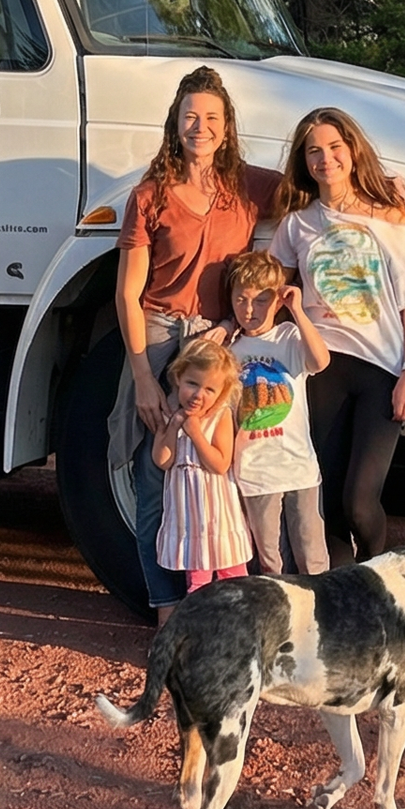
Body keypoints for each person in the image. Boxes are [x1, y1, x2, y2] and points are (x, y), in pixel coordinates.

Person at [110, 68, 281, 621]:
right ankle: (167, 613)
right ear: (175, 125)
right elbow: (128, 292)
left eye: (211, 118)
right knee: (154, 474)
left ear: (227, 128)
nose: (200, 127)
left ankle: (226, 609)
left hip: (216, 340)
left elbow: (321, 185)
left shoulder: (247, 187)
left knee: (225, 473)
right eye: (190, 117)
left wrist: (389, 193)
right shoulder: (150, 195)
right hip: (160, 337)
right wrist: (141, 376)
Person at [270, 108, 405, 566]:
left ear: (352, 151)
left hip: (381, 370)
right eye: (314, 151)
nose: (326, 159)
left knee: (360, 501)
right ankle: (340, 601)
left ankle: (379, 567)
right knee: (330, 502)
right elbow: (271, 288)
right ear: (304, 160)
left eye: (335, 147)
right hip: (322, 368)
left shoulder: (389, 217)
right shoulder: (297, 225)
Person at [224, 248, 331, 577]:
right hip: (255, 473)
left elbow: (320, 361)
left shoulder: (288, 337)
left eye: (260, 300)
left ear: (276, 301)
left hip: (299, 468)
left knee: (312, 557)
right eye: (241, 299)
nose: (249, 310)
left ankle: (323, 621)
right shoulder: (230, 350)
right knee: (271, 561)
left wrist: (296, 309)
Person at [151, 340, 251, 596]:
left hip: (218, 515)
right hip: (190, 519)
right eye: (192, 384)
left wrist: (195, 434)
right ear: (178, 378)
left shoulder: (220, 417)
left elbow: (219, 464)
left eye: (209, 389)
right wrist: (173, 427)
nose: (198, 395)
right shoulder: (172, 416)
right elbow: (162, 460)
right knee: (197, 583)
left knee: (233, 578)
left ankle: (236, 626)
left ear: (221, 393)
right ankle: (201, 627)